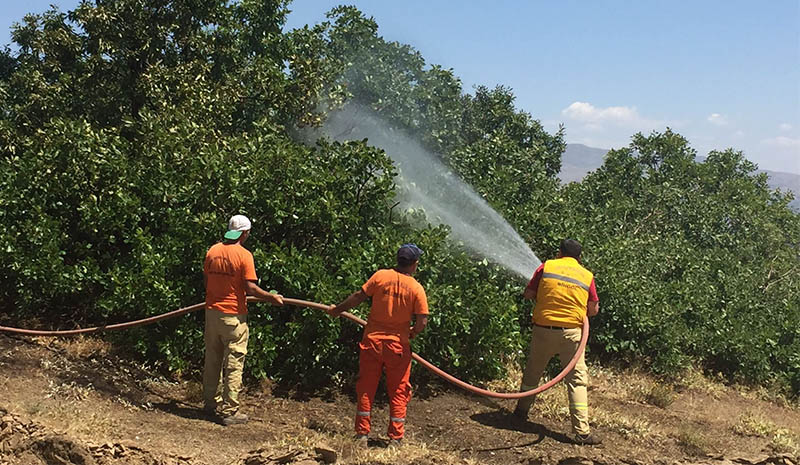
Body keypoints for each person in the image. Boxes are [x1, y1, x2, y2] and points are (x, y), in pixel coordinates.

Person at [328, 244, 429, 447]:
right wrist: (413, 332)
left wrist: (337, 310)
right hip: (397, 347)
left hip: (372, 343)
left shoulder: (381, 276)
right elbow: (422, 322)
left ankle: (361, 435)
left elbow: (358, 296)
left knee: (366, 387)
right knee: (399, 390)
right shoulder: (416, 288)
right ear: (414, 264)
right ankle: (395, 438)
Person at [513, 239, 601, 445]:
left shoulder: (546, 267)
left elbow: (528, 294)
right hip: (572, 334)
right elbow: (593, 309)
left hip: (543, 330)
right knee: (577, 381)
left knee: (533, 372)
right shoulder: (586, 275)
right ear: (580, 257)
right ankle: (582, 433)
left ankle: (520, 412)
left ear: (559, 252)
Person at [203, 214, 283, 426]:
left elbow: (207, 280)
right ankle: (230, 411)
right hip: (233, 316)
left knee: (212, 359)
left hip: (212, 313)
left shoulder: (213, 251)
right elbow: (250, 288)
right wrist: (271, 297)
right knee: (234, 363)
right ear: (245, 233)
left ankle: (210, 404)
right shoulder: (244, 255)